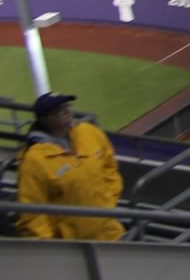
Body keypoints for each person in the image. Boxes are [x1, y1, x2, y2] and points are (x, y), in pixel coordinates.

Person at [15, 92, 124, 240]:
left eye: (67, 106)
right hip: (73, 246)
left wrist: (109, 199)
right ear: (45, 119)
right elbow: (32, 213)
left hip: (110, 231)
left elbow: (109, 165)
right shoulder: (35, 160)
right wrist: (53, 246)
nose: (66, 111)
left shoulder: (88, 132)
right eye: (58, 110)